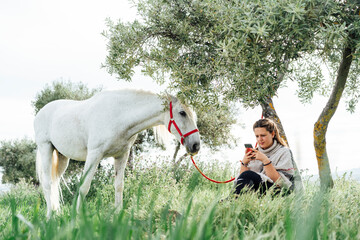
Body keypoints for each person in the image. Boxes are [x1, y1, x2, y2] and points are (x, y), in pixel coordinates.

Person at [233, 118, 297, 196]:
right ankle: (233, 200)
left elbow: (280, 183)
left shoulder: (284, 152)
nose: (260, 139)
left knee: (248, 174)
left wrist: (265, 160)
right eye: (257, 136)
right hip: (257, 191)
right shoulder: (255, 152)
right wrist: (244, 163)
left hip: (279, 192)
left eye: (263, 135)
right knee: (247, 175)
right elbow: (242, 181)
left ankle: (231, 200)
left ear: (272, 134)